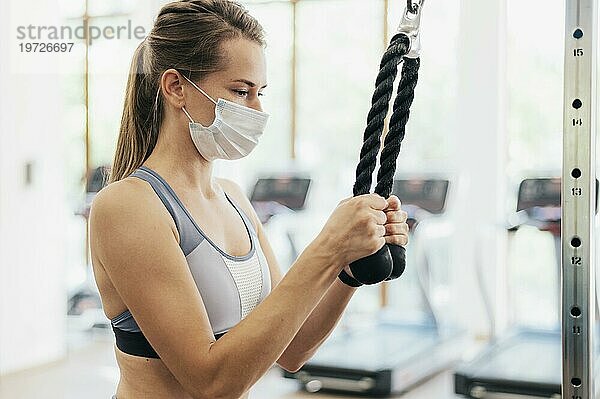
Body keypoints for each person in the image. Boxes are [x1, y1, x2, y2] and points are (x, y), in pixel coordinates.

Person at [88, 1, 409, 398]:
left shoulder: (233, 199)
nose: (257, 110)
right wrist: (328, 248)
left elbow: (292, 349)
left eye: (260, 93)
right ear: (176, 88)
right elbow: (211, 381)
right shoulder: (128, 206)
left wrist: (350, 265)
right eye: (241, 91)